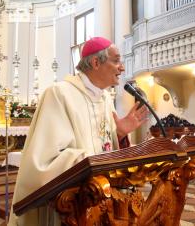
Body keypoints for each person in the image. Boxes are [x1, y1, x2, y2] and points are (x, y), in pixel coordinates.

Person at [9, 37, 149, 226]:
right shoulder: (59, 94)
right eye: (116, 60)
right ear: (95, 62)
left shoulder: (105, 99)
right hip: (71, 204)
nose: (122, 68)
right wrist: (92, 161)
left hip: (101, 200)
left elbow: (106, 145)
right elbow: (44, 161)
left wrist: (120, 134)